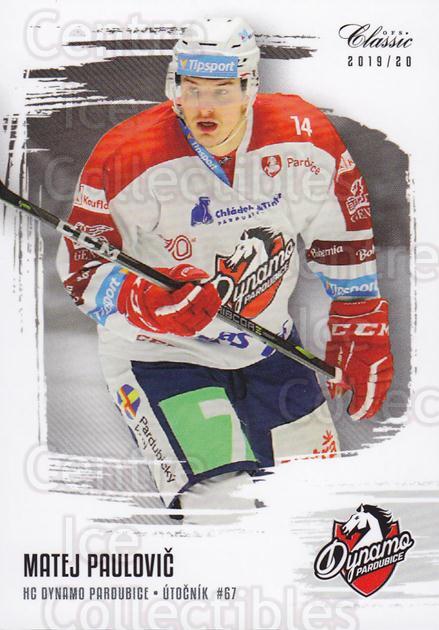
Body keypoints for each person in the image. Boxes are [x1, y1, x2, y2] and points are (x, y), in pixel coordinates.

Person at [56, 17, 393, 524]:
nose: (205, 107)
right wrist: (146, 304)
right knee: (220, 510)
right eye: (193, 89)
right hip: (162, 358)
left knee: (315, 511)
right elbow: (83, 269)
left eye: (221, 90)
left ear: (249, 87)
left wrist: (359, 318)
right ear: (174, 87)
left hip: (270, 349)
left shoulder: (303, 137)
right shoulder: (128, 155)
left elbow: (341, 228)